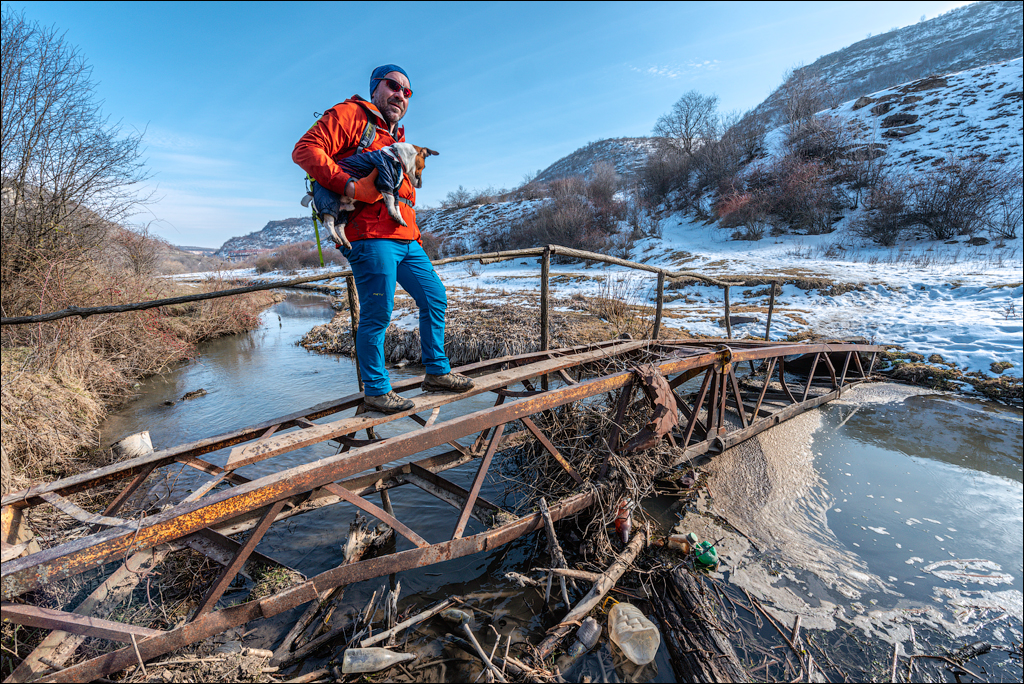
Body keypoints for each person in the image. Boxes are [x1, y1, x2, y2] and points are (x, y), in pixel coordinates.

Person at [293, 64, 473, 413]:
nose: (401, 95)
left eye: (408, 92)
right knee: (378, 314)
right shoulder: (352, 115)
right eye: (393, 86)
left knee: (435, 296)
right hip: (371, 237)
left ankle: (436, 372)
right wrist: (347, 186)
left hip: (407, 240)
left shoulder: (397, 140)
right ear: (376, 88)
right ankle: (376, 390)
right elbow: (305, 150)